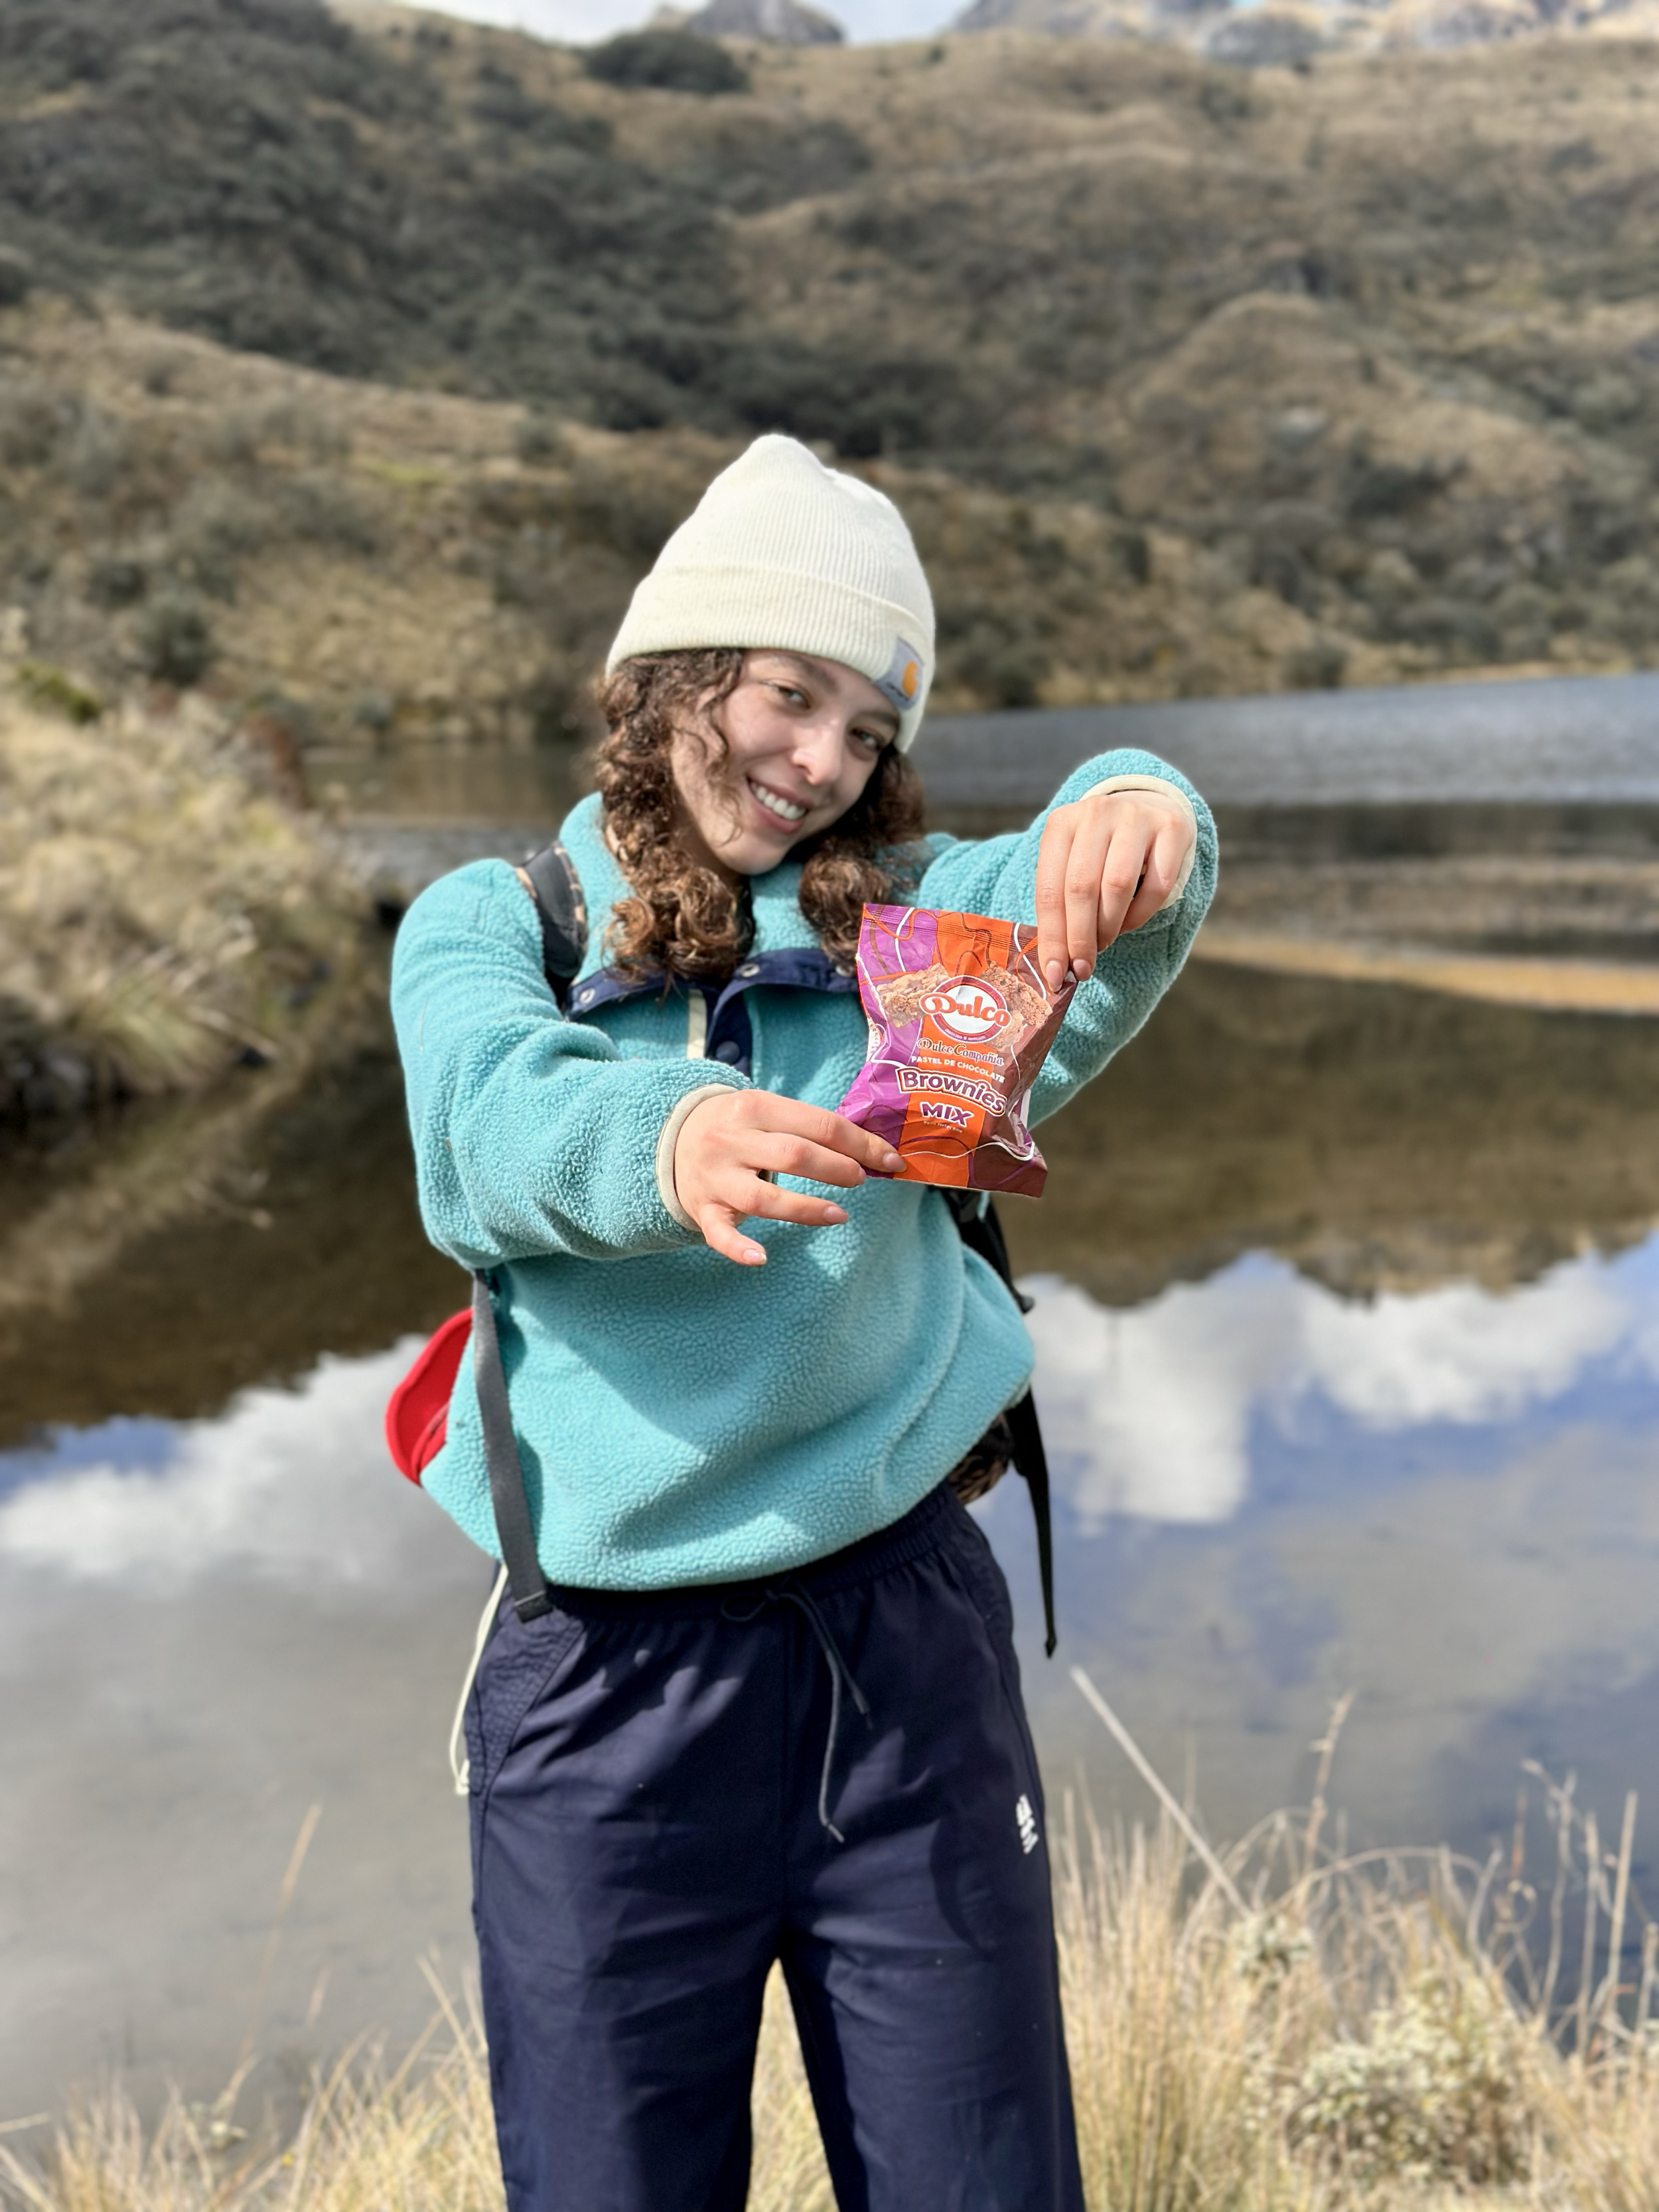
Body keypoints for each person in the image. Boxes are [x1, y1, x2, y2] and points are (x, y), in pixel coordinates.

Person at [390, 434, 1216, 2212]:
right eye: (785, 694)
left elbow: (1084, 895)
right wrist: (664, 1136)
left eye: (865, 727)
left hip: (901, 1661)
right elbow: (478, 1127)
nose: (820, 761)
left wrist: (1144, 803)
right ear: (667, 677)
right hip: (607, 1692)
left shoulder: (901, 942)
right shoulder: (502, 921)